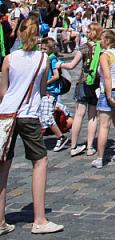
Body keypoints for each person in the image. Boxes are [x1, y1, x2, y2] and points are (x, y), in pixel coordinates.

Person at [0, 17, 62, 234]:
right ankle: (39, 219)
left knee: (3, 166)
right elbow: (43, 88)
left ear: (19, 33)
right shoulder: (42, 59)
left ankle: (0, 221)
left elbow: (3, 91)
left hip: (6, 114)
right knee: (40, 161)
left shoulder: (9, 58)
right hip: (28, 114)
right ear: (37, 36)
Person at [58, 21, 102, 156]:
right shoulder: (102, 48)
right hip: (96, 84)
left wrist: (60, 65)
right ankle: (89, 147)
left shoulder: (84, 47)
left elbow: (71, 65)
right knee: (93, 117)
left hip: (83, 83)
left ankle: (74, 146)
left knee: (78, 115)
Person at [91, 29, 115, 168]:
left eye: (101, 39)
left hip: (109, 90)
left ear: (106, 40)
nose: (100, 41)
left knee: (104, 126)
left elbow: (107, 76)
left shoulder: (105, 55)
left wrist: (109, 95)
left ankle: (100, 158)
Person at [38, 39, 69, 151]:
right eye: (41, 48)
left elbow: (56, 75)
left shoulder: (52, 59)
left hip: (50, 91)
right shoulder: (44, 58)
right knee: (41, 114)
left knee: (47, 116)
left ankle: (61, 137)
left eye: (45, 49)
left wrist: (45, 83)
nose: (42, 51)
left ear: (51, 49)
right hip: (45, 91)